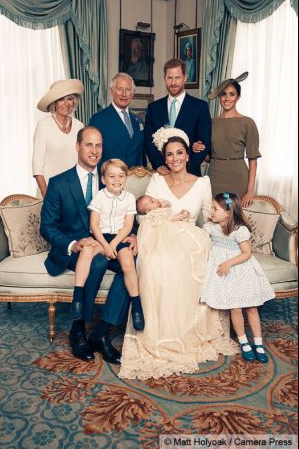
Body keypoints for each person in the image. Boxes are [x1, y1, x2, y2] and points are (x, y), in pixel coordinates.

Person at [118, 130, 238, 380]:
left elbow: (209, 218)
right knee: (155, 263)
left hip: (191, 239)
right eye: (170, 154)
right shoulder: (157, 180)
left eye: (179, 153)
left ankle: (185, 332)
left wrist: (226, 239)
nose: (175, 158)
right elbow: (142, 214)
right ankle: (159, 333)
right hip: (159, 235)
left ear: (187, 156)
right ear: (164, 158)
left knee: (182, 261)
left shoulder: (202, 183)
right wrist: (150, 227)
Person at [40, 126, 136, 365]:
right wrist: (73, 244)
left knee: (133, 263)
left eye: (99, 145)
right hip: (77, 251)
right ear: (77, 147)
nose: (95, 150)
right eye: (89, 145)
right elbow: (47, 227)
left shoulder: (111, 178)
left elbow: (123, 215)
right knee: (97, 262)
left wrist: (133, 235)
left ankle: (101, 333)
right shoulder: (59, 183)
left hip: (108, 243)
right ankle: (78, 330)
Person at [200, 192, 275, 363]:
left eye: (215, 209)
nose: (211, 212)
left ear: (228, 213)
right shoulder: (209, 227)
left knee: (251, 307)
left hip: (240, 270)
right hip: (225, 274)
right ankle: (243, 342)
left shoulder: (239, 229)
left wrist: (229, 263)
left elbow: (247, 253)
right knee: (235, 308)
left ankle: (258, 343)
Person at [73, 159, 144, 331]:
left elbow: (127, 226)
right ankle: (77, 297)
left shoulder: (129, 198)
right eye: (112, 176)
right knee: (86, 250)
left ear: (126, 178)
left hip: (119, 237)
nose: (117, 180)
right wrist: (105, 245)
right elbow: (94, 225)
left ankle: (137, 306)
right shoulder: (99, 196)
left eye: (121, 176)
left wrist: (113, 244)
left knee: (128, 262)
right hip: (100, 237)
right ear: (104, 179)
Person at [144, 58, 211, 177]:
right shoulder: (154, 108)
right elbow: (148, 141)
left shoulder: (200, 107)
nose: (173, 83)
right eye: (170, 78)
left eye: (177, 77)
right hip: (162, 174)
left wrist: (184, 169)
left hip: (190, 174)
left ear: (185, 77)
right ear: (165, 78)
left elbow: (204, 144)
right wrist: (159, 165)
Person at [205, 72, 261, 207]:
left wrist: (250, 191)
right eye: (223, 94)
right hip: (215, 176)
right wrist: (197, 149)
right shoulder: (210, 123)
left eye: (232, 94)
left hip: (238, 177)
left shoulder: (248, 123)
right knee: (215, 214)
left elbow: (253, 160)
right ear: (219, 97)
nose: (227, 98)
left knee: (235, 216)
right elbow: (208, 157)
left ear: (238, 97)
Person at [32, 79, 85, 198]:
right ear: (54, 103)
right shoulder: (43, 126)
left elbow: (82, 162)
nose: (66, 104)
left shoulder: (79, 126)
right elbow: (37, 167)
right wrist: (47, 195)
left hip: (73, 192)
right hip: (49, 191)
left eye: (69, 99)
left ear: (74, 102)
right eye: (61, 99)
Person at [89, 73, 146, 169]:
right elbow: (91, 154)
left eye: (128, 89)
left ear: (133, 93)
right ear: (112, 91)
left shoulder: (137, 120)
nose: (124, 94)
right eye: (120, 89)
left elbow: (141, 154)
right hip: (110, 176)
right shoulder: (98, 119)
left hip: (136, 176)